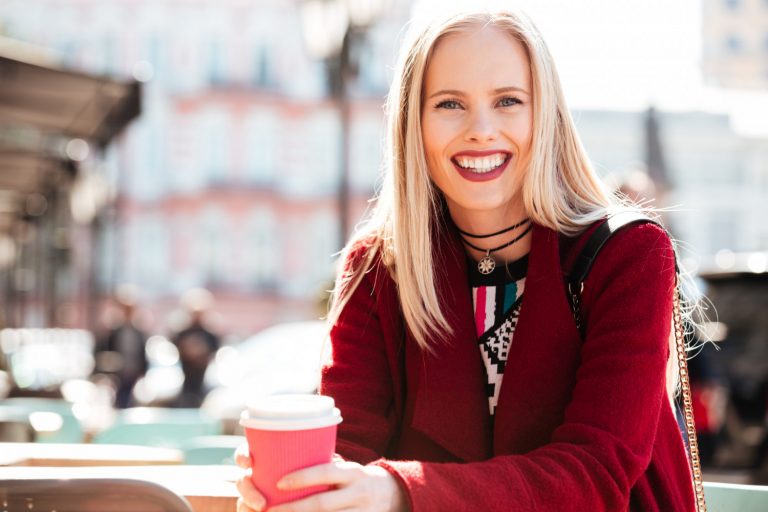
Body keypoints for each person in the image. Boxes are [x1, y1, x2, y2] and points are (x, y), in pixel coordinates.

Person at [236, 7, 697, 511]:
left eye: (508, 101)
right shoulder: (377, 269)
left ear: (544, 114)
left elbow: (595, 473)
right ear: (415, 121)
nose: (481, 129)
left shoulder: (627, 255)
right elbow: (349, 448)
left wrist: (398, 491)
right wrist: (305, 489)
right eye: (450, 103)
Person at [95, 284, 149, 408]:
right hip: (116, 375)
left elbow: (142, 353)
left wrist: (142, 372)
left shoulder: (138, 331)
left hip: (132, 374)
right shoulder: (111, 331)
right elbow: (102, 351)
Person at [171, 288, 221, 407]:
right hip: (187, 373)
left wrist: (201, 354)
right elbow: (175, 345)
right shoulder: (182, 331)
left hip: (202, 374)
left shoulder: (209, 333)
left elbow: (215, 349)